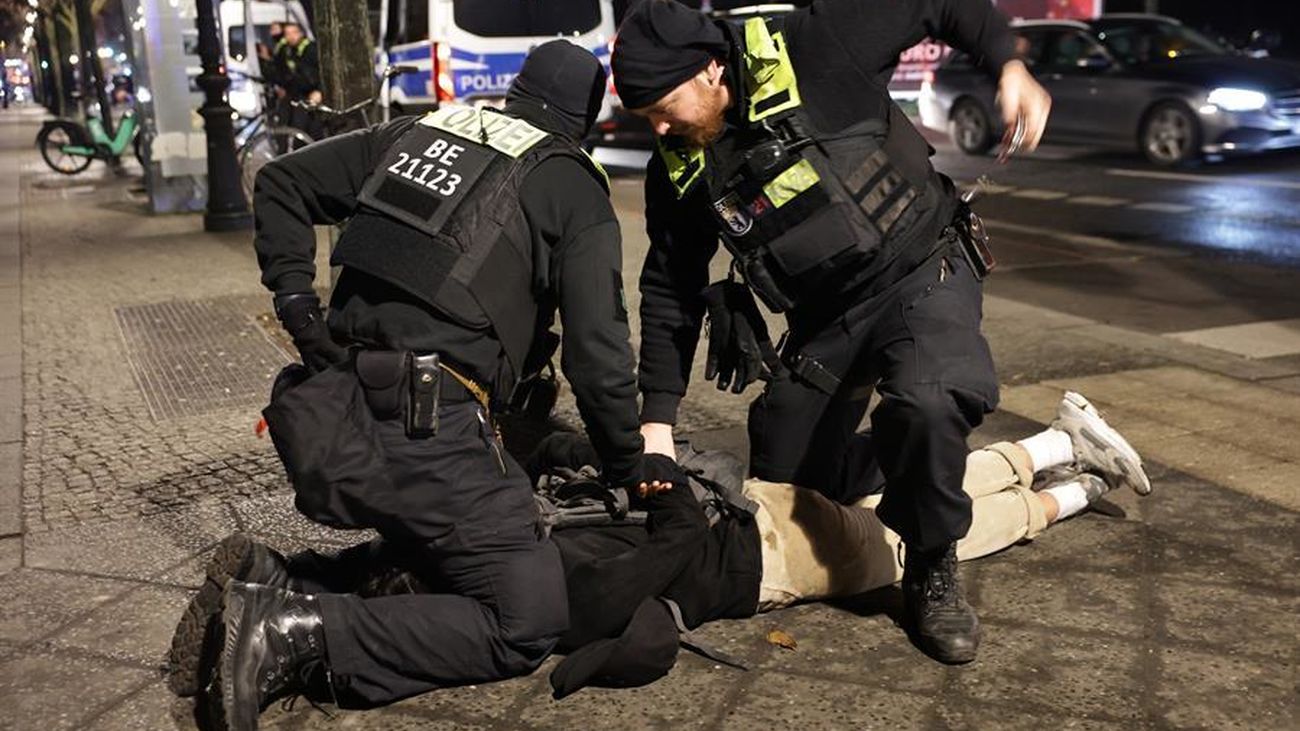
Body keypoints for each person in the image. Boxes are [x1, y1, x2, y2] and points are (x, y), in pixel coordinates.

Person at [164, 40, 680, 729]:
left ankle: (283, 576)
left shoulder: (422, 131)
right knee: (525, 615)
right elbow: (597, 356)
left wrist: (300, 312)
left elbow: (281, 182)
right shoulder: (570, 181)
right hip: (427, 428)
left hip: (337, 413)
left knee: (449, 554)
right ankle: (291, 629)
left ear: (517, 93)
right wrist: (623, 462)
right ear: (583, 118)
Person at [171, 390, 1152, 706]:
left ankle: (1070, 462)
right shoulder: (516, 532)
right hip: (752, 506)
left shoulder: (547, 587)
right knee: (932, 508)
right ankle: (1067, 450)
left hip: (771, 548)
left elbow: (630, 641)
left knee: (948, 531)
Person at [610, 0, 1057, 664]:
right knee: (790, 496)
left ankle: (932, 560)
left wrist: (1010, 64)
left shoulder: (815, 44)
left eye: (663, 105)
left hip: (919, 269)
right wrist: (657, 423)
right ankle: (906, 455)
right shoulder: (681, 162)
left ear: (710, 69)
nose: (658, 125)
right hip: (827, 319)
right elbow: (669, 289)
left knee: (929, 400)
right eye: (644, 115)